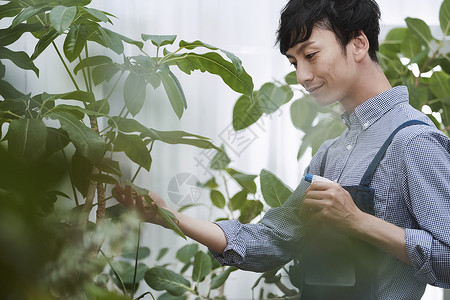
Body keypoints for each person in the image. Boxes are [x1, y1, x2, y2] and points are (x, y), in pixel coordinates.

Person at [113, 0, 450, 299]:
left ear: (358, 44)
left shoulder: (413, 141)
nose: (302, 76)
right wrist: (169, 217)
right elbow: (275, 240)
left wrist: (359, 222)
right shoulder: (330, 153)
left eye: (311, 55)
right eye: (293, 63)